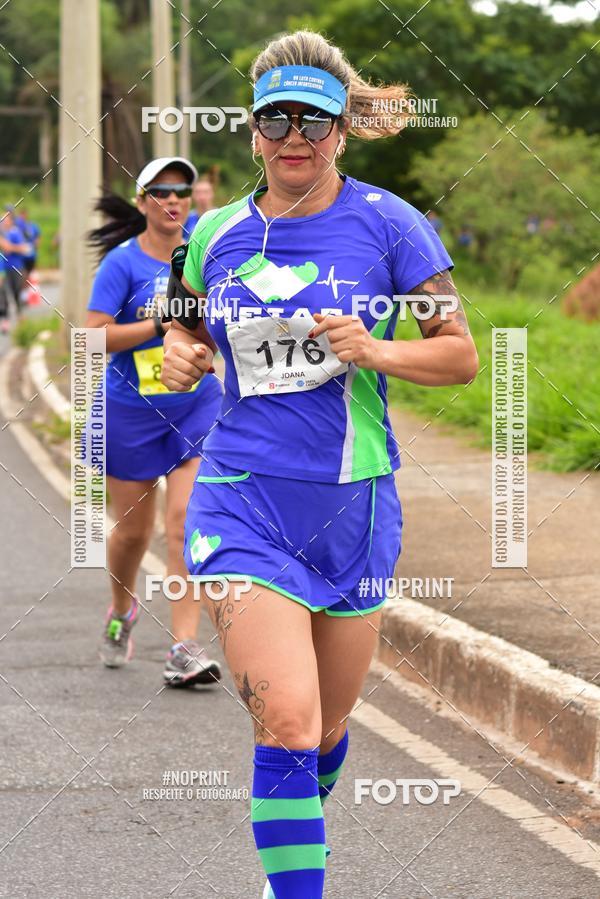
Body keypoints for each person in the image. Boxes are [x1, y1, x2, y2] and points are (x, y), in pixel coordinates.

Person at [161, 31, 478, 899]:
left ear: (340, 130)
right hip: (240, 501)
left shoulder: (392, 223)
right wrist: (180, 355)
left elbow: (458, 357)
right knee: (288, 718)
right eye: (276, 120)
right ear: (253, 132)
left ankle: (290, 852)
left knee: (328, 727)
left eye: (314, 120)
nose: (293, 136)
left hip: (353, 511)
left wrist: (375, 351)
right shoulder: (215, 232)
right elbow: (182, 323)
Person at [85, 156, 224, 687]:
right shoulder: (122, 263)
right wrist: (156, 325)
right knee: (131, 534)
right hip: (129, 413)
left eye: (181, 192)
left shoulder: (205, 252)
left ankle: (183, 648)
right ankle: (121, 610)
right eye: (161, 192)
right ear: (143, 202)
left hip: (195, 406)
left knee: (186, 520)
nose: (173, 201)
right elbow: (93, 337)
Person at [0, 208, 32, 332]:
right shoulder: (2, 233)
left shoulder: (15, 233)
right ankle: (5, 320)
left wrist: (10, 247)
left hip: (17, 268)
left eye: (6, 219)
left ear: (11, 221)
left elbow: (25, 248)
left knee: (16, 294)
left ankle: (20, 318)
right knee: (3, 294)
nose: (3, 221)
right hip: (3, 268)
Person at [16, 208, 41, 275]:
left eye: (25, 215)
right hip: (21, 255)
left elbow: (38, 238)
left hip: (31, 254)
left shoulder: (32, 225)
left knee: (29, 271)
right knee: (22, 272)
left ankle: (26, 283)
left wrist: (36, 246)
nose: (23, 216)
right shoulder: (17, 225)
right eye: (22, 215)